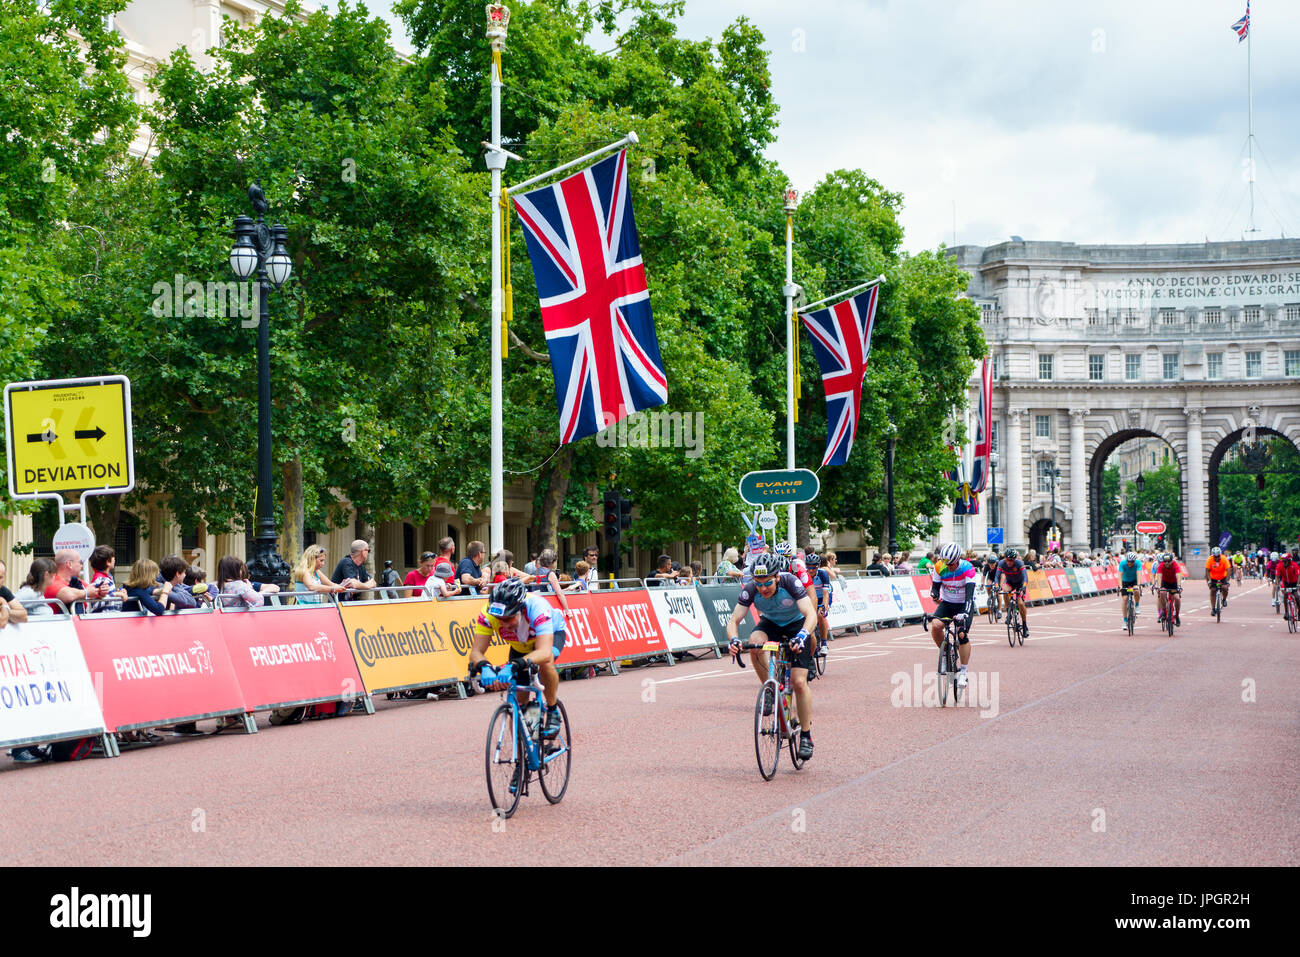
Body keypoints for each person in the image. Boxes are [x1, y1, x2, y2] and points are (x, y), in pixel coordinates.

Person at [726, 553, 819, 761]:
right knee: (755, 642)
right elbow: (734, 620)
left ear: (777, 577)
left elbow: (810, 614)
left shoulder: (790, 582)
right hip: (771, 624)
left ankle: (806, 735)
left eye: (767, 582)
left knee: (798, 682)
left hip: (796, 625)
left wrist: (803, 635)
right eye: (758, 584)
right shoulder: (750, 589)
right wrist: (733, 640)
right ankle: (770, 687)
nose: (763, 588)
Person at [467, 578, 567, 738]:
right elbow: (476, 652)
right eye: (500, 619)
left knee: (545, 663)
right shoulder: (489, 614)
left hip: (551, 636)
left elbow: (544, 652)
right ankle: (529, 750)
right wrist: (484, 666)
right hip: (521, 646)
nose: (504, 624)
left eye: (508, 618)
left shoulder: (536, 607)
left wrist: (514, 664)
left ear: (520, 609)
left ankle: (553, 709)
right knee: (521, 701)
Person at [929, 542, 977, 690]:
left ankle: (963, 671)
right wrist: (934, 595)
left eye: (951, 564)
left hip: (964, 604)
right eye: (946, 563)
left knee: (962, 634)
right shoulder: (939, 566)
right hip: (948, 603)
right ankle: (945, 653)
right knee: (936, 625)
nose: (948, 567)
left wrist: (964, 613)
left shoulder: (968, 569)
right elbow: (935, 589)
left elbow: (970, 596)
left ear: (958, 560)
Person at [45, 549, 111, 613]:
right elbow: (68, 595)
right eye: (80, 562)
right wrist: (86, 592)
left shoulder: (77, 582)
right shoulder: (51, 581)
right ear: (69, 564)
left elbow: (93, 591)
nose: (81, 565)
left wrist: (101, 590)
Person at [994, 548, 1029, 636]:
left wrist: (1024, 587)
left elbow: (1025, 577)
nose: (1009, 562)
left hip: (1020, 584)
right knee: (1005, 590)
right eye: (1007, 560)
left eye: (1011, 560)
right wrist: (997, 587)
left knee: (1020, 604)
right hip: (1010, 582)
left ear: (1015, 559)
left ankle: (1024, 625)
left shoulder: (1019, 563)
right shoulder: (1001, 563)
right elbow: (997, 577)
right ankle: (1008, 611)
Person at [533, 548, 572, 618]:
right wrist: (567, 611)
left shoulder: (534, 572)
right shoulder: (550, 573)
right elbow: (559, 593)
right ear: (552, 562)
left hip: (534, 605)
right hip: (546, 605)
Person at [806, 552, 832, 650]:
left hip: (822, 597)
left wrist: (824, 607)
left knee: (821, 615)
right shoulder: (803, 574)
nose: (811, 570)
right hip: (811, 597)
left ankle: (824, 643)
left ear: (818, 567)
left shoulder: (823, 574)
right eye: (809, 567)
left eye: (814, 567)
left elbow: (826, 594)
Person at [1154, 551, 1184, 628]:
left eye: (1169, 561)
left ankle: (1177, 616)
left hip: (1173, 583)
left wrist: (1179, 586)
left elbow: (1178, 575)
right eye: (1165, 561)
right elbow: (1159, 577)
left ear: (1172, 560)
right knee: (1162, 593)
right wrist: (1159, 587)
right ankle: (1164, 611)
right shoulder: (1161, 566)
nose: (1167, 563)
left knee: (1177, 598)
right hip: (1165, 583)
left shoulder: (1175, 565)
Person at [1116, 550, 1143, 626]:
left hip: (1134, 581)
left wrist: (1138, 584)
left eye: (1132, 562)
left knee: (1136, 591)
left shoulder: (1138, 563)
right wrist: (1120, 586)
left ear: (1134, 561)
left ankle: (1137, 605)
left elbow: (1138, 574)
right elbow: (1120, 575)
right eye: (1128, 561)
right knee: (1125, 599)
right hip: (1125, 582)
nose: (1130, 563)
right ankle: (1125, 620)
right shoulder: (1122, 563)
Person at [0, 559, 28, 625]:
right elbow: (2, 622)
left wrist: (4, 608)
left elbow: (24, 616)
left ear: (4, 577)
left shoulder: (3, 590)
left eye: (0, 577)